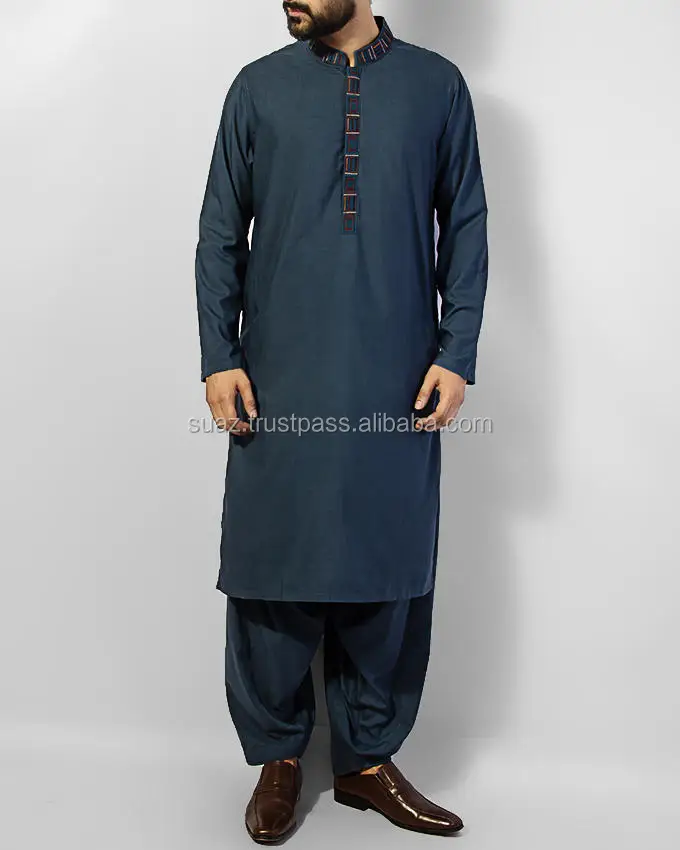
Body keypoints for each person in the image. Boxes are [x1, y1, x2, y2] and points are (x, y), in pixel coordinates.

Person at [195, 0, 488, 842]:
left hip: (396, 375)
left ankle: (365, 761)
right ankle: (279, 758)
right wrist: (220, 355)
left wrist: (456, 352)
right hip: (278, 377)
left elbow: (466, 226)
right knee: (273, 563)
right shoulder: (257, 88)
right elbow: (221, 231)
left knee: (385, 561)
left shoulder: (436, 86)